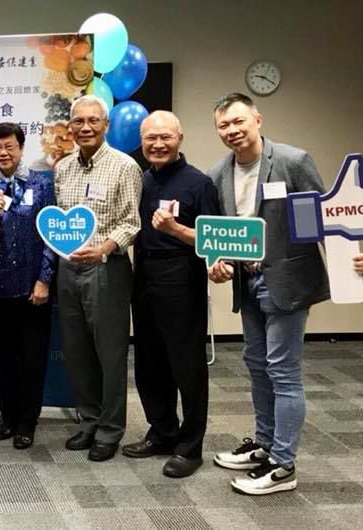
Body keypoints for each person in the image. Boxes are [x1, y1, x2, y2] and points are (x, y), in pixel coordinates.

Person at [207, 93, 363, 495]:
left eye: (239, 122)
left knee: (282, 370)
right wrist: (217, 261)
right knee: (256, 364)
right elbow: (223, 231)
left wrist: (350, 259)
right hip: (247, 282)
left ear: (258, 120)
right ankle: (264, 445)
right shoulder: (218, 172)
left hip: (288, 281)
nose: (232, 131)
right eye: (224, 125)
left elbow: (325, 219)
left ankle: (283, 464)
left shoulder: (293, 161)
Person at [121, 111, 220, 478]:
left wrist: (176, 229)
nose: (158, 144)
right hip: (143, 276)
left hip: (182, 278)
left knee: (186, 366)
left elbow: (212, 238)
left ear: (180, 138)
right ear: (142, 141)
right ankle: (162, 432)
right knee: (149, 364)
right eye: (151, 138)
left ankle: (190, 447)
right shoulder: (142, 179)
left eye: (165, 137)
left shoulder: (199, 183)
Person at [55, 95, 142, 462]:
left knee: (110, 353)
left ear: (106, 125)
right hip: (68, 269)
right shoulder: (63, 168)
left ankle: (110, 429)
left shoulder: (124, 166)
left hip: (107, 267)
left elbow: (131, 222)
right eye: (79, 121)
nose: (86, 127)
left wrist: (103, 249)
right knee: (77, 351)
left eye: (93, 120)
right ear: (70, 127)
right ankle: (89, 420)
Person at [0, 122, 56, 450]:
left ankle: (27, 422)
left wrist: (44, 279)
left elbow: (51, 235)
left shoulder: (41, 184)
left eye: (9, 146)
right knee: (4, 358)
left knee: (32, 359)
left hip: (32, 289)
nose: (3, 152)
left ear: (21, 148)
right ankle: (8, 418)